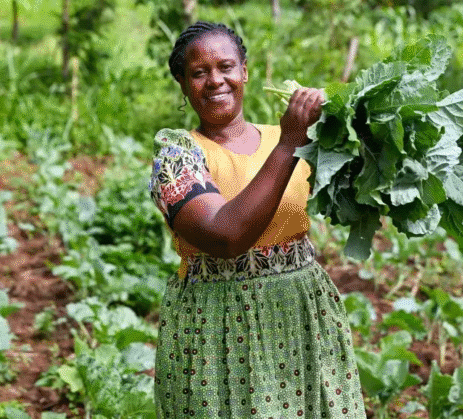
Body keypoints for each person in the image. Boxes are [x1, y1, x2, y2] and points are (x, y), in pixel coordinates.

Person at [149, 21, 365, 418]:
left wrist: (353, 126)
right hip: (216, 329)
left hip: (302, 317)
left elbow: (362, 189)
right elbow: (224, 236)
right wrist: (290, 144)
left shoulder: (292, 138)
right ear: (183, 84)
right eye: (199, 73)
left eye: (226, 67)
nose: (216, 81)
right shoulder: (177, 155)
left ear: (245, 72)